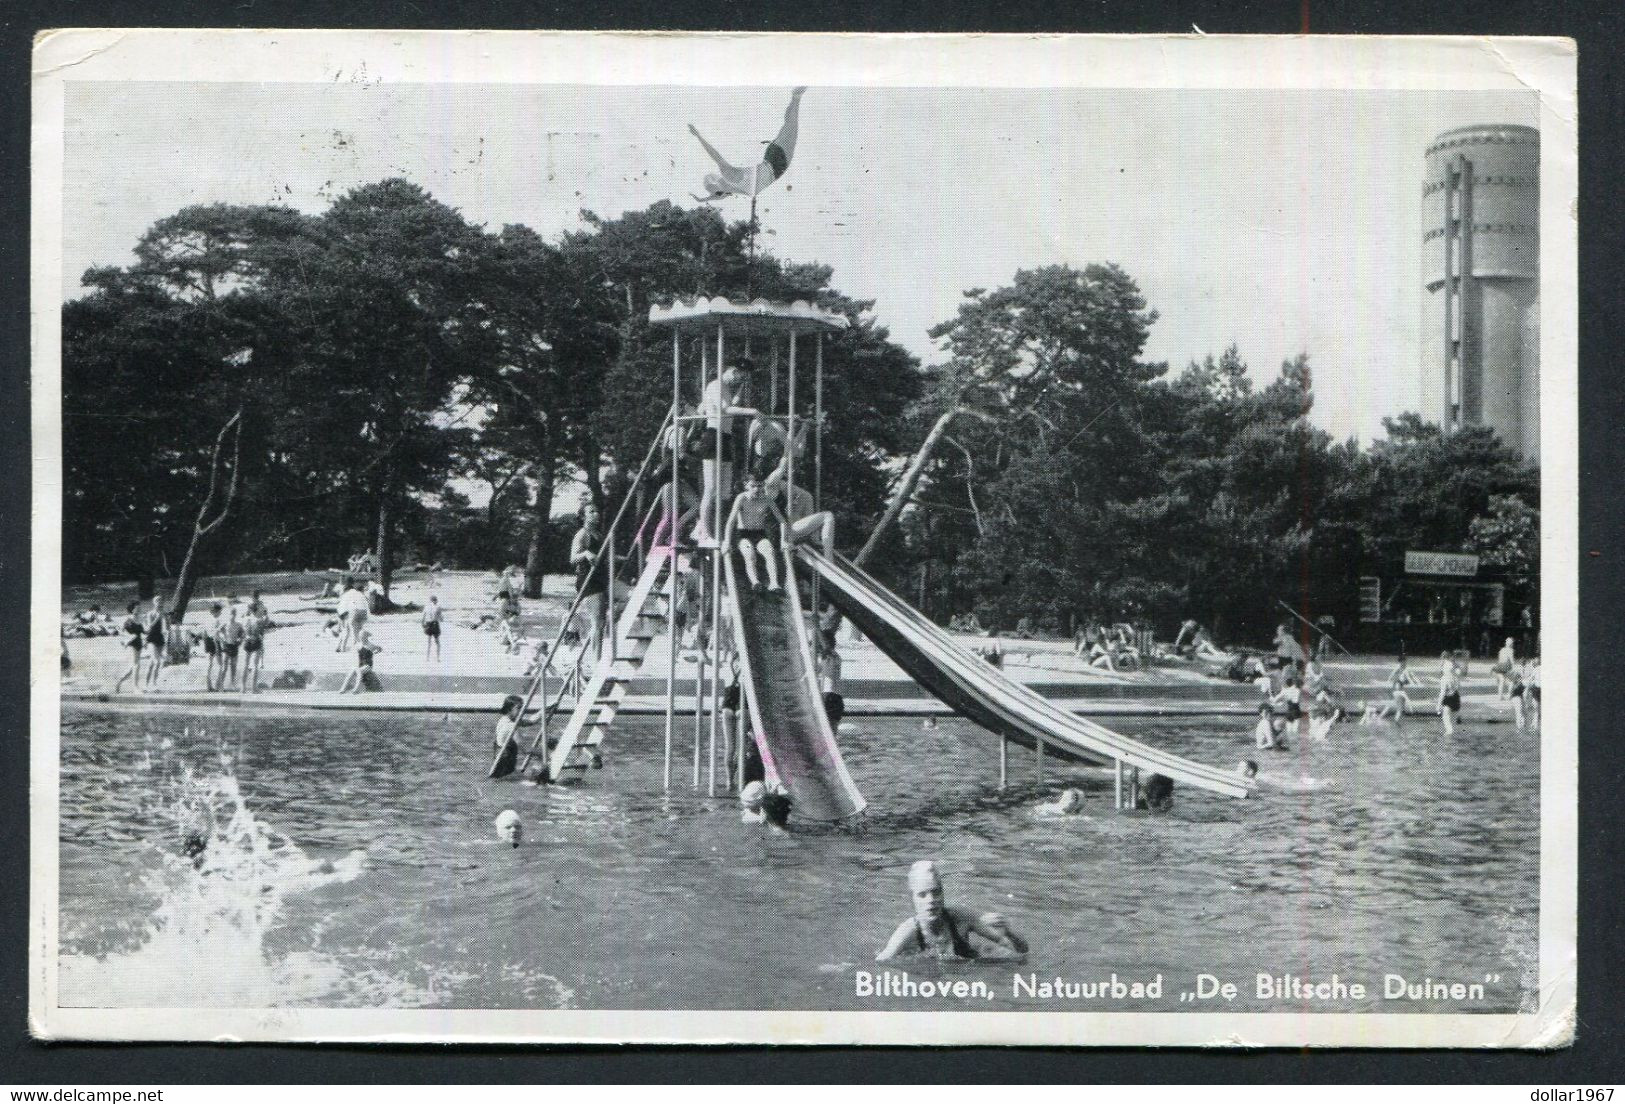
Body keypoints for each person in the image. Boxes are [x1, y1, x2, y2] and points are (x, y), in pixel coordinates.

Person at [875, 860, 1029, 963]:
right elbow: (880, 963)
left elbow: (1022, 952)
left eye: (936, 892)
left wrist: (1008, 930)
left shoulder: (960, 917)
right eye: (923, 895)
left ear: (943, 894)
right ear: (913, 898)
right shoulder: (908, 932)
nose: (931, 900)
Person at [688, 86, 806, 202]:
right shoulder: (730, 188)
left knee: (791, 128)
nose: (719, 195)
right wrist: (702, 200)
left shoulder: (729, 176)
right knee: (789, 127)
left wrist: (698, 136)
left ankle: (796, 97)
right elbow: (717, 196)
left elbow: (715, 156)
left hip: (775, 165)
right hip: (771, 161)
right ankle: (795, 98)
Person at [692, 358, 757, 545]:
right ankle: (703, 532)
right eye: (740, 377)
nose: (739, 380)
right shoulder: (715, 385)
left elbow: (731, 404)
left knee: (725, 492)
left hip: (725, 438)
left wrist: (741, 389)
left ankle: (711, 528)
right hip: (713, 437)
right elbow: (725, 408)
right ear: (733, 371)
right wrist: (751, 411)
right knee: (711, 488)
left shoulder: (727, 388)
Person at [726, 471, 781, 593]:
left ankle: (774, 583)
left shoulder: (766, 499)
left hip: (759, 534)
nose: (756, 489)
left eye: (759, 486)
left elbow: (781, 521)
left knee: (769, 552)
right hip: (743, 534)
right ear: (746, 485)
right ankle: (755, 582)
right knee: (749, 554)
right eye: (753, 486)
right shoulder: (742, 498)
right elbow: (731, 521)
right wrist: (726, 542)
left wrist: (785, 541)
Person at [570, 507, 607, 664]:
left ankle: (593, 655)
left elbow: (603, 556)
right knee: (597, 622)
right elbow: (572, 558)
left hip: (600, 578)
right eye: (591, 512)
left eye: (596, 511)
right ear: (583, 516)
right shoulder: (582, 534)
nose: (596, 513)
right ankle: (596, 661)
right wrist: (585, 553)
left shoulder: (598, 534)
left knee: (601, 622)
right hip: (588, 579)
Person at [113, 600, 145, 693]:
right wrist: (128, 638)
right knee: (136, 665)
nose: (139, 609)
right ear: (132, 609)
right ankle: (135, 687)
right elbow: (120, 631)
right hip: (131, 643)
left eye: (139, 607)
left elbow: (143, 631)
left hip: (139, 643)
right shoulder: (128, 619)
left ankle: (119, 681)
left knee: (133, 667)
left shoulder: (140, 619)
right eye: (137, 607)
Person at [340, 629, 381, 694]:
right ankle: (343, 688)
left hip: (368, 665)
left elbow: (379, 648)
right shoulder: (358, 645)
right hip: (360, 665)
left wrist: (376, 652)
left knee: (359, 671)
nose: (361, 638)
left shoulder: (370, 645)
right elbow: (351, 650)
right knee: (352, 671)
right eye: (360, 637)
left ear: (366, 637)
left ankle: (356, 689)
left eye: (363, 637)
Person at [1377, 656, 1416, 723]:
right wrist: (1388, 681)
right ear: (1402, 661)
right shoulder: (1399, 667)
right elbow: (1393, 674)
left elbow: (1411, 676)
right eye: (1404, 661)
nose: (1405, 662)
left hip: (1398, 688)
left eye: (1405, 661)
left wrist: (1415, 682)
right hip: (1398, 688)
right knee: (1398, 709)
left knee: (1391, 705)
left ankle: (1380, 717)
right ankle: (1394, 722)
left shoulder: (1404, 668)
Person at [217, 603, 246, 691]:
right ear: (228, 614)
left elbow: (244, 634)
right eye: (231, 614)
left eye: (234, 614)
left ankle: (232, 684)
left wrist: (240, 640)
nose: (232, 616)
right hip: (227, 646)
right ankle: (221, 685)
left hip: (234, 646)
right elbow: (217, 631)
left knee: (233, 666)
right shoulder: (225, 623)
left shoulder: (238, 624)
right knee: (225, 667)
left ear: (235, 615)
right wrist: (222, 639)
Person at [141, 596, 167, 690]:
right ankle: (151, 684)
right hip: (151, 638)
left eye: (161, 602)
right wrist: (157, 617)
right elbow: (149, 627)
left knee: (151, 663)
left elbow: (165, 626)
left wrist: (165, 627)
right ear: (154, 603)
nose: (160, 603)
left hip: (160, 638)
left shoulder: (163, 613)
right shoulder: (150, 614)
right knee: (157, 661)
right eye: (158, 602)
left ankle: (148, 684)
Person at [1436, 652, 1463, 736]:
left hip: (1448, 699)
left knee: (1447, 724)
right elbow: (1458, 687)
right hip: (1456, 698)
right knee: (1452, 722)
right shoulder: (1455, 676)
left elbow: (1442, 693)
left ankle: (1448, 741)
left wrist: (1438, 705)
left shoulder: (1444, 679)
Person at [241, 606, 266, 693]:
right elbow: (261, 635)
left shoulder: (246, 619)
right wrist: (262, 646)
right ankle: (253, 688)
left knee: (246, 665)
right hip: (256, 641)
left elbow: (243, 633)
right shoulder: (259, 620)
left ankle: (243, 688)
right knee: (255, 666)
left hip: (247, 641)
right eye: (259, 610)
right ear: (256, 611)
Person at [422, 593, 443, 662]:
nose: (435, 601)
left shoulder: (427, 606)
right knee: (436, 642)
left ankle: (429, 658)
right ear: (435, 600)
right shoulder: (437, 607)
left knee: (430, 642)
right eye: (435, 600)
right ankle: (437, 658)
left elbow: (423, 617)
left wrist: (423, 624)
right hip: (433, 624)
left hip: (430, 624)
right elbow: (441, 618)